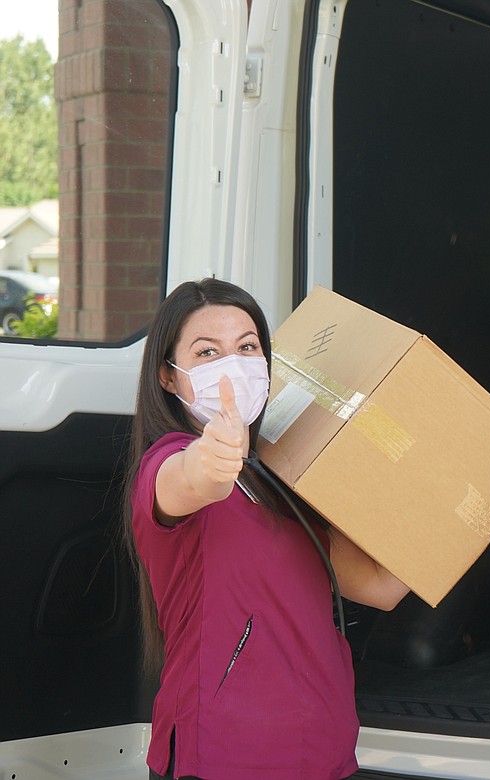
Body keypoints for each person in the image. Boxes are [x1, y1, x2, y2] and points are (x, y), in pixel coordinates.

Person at [120, 278, 410, 780]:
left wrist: (458, 508)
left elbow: (382, 587)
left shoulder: (285, 484)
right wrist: (213, 459)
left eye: (247, 347)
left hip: (323, 755)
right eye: (207, 352)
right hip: (222, 758)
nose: (232, 365)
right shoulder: (165, 464)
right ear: (169, 377)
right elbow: (190, 480)